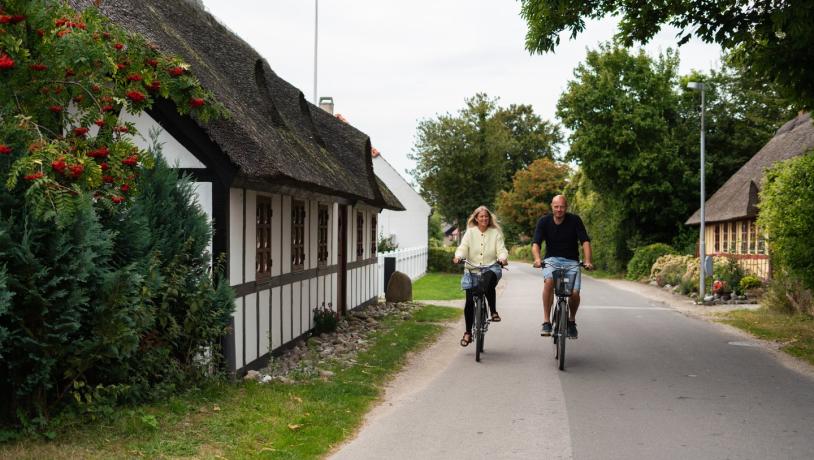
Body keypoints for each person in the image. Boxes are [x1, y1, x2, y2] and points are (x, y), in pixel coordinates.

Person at [532, 195, 593, 339]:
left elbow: (584, 241)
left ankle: (571, 322)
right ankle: (546, 322)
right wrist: (537, 259)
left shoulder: (575, 220)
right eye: (556, 206)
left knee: (574, 293)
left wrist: (587, 260)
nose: (559, 210)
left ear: (566, 207)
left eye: (562, 207)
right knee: (549, 282)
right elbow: (536, 243)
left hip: (572, 261)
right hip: (551, 260)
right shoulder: (544, 221)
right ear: (551, 206)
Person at [452, 205, 508, 347]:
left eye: (486, 216)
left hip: (491, 267)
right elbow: (463, 247)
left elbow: (501, 249)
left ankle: (493, 311)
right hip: (472, 270)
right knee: (469, 302)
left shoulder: (495, 233)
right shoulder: (470, 233)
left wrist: (502, 258)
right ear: (476, 218)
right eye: (481, 216)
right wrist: (458, 256)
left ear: (489, 218)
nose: (484, 218)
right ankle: (468, 332)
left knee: (488, 279)